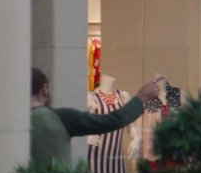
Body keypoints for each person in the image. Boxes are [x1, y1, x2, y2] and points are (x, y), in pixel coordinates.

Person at [30, 68, 162, 166]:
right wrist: (141, 98)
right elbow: (112, 121)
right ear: (44, 89)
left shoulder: (21, 122)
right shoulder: (60, 118)